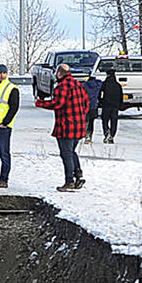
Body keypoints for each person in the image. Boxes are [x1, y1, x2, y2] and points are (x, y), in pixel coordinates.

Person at [50, 63, 90, 191]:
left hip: (65, 126)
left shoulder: (62, 87)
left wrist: (40, 103)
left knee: (66, 153)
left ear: (59, 73)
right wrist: (81, 115)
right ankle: (78, 174)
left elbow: (57, 104)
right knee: (71, 151)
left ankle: (69, 181)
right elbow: (87, 102)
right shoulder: (78, 85)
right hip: (79, 125)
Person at [97, 68, 123, 143]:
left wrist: (100, 101)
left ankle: (106, 132)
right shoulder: (118, 85)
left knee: (105, 120)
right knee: (114, 121)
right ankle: (112, 135)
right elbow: (121, 96)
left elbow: (99, 93)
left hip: (106, 104)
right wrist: (120, 104)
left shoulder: (104, 84)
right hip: (115, 106)